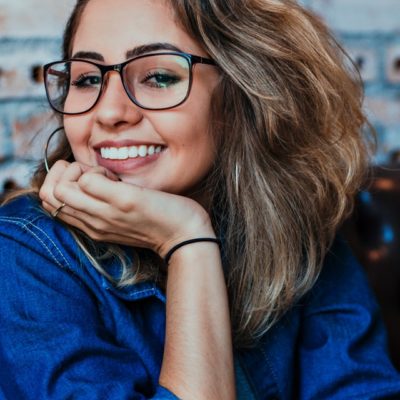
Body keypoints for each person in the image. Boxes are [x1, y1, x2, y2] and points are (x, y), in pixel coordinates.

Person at [0, 0, 399, 398]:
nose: (109, 112)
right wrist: (188, 242)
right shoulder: (26, 254)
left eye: (157, 76)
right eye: (87, 79)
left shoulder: (297, 226)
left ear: (242, 91)